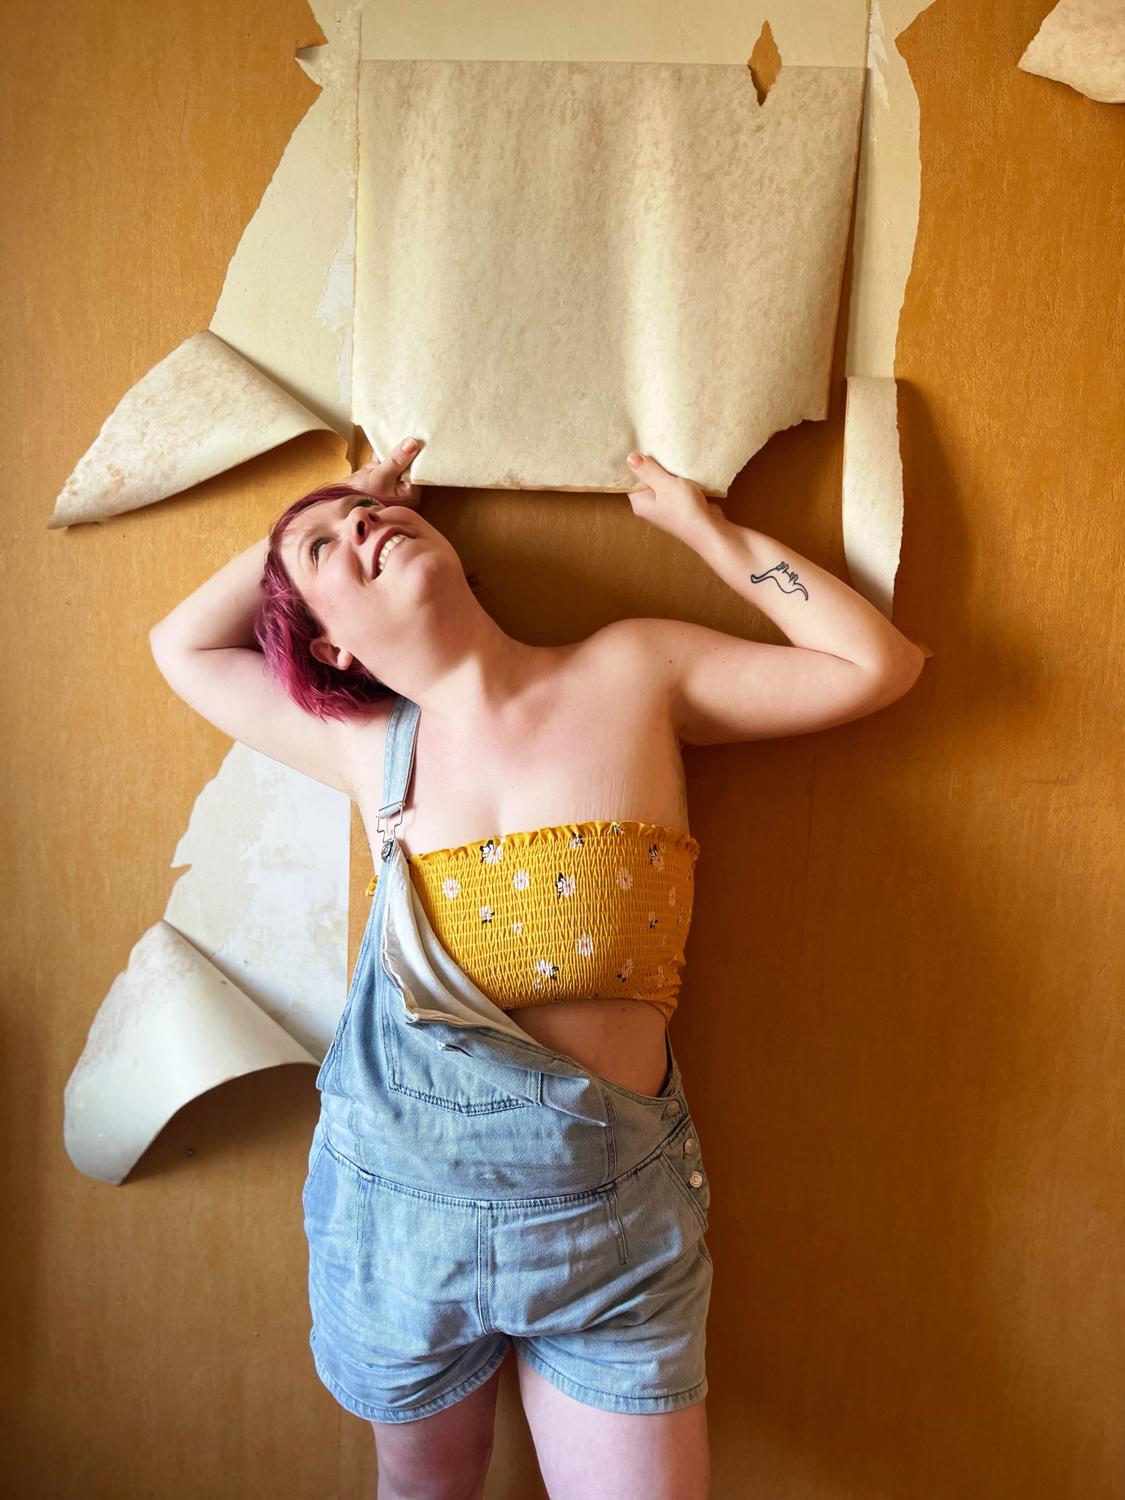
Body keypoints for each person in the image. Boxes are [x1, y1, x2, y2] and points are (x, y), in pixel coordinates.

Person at [149, 438, 924, 1500]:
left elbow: (876, 665)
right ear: (332, 650)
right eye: (325, 549)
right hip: (399, 1221)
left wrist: (711, 534)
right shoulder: (363, 741)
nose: (362, 528)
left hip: (609, 1228)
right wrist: (335, 504)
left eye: (369, 519)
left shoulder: (632, 671)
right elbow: (182, 644)